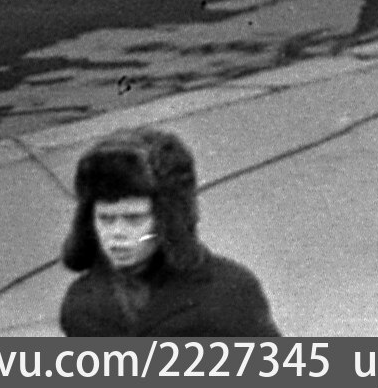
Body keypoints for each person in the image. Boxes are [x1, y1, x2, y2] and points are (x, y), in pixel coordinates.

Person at [58, 127, 278, 337]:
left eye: (134, 219)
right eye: (105, 219)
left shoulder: (229, 292)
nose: (116, 233)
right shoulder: (80, 306)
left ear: (167, 220)